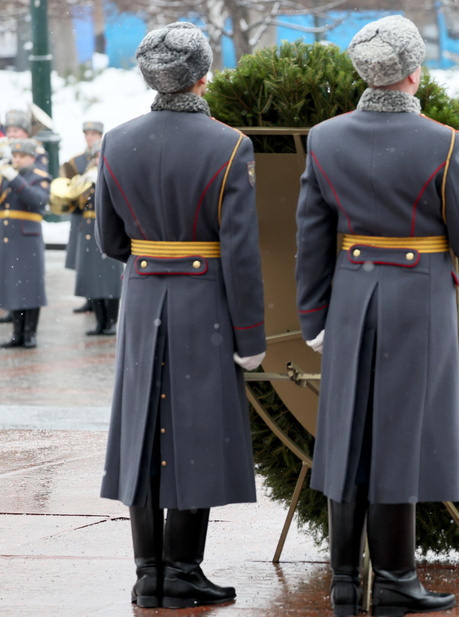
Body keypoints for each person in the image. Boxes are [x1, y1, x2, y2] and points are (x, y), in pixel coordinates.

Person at [295, 15, 459, 616]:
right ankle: (397, 578)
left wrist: (315, 319)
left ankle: (344, 583)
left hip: (352, 295)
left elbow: (311, 239)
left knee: (346, 435)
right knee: (399, 436)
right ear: (414, 71)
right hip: (418, 297)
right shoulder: (444, 141)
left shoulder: (325, 138)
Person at [95, 22, 266, 609]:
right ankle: (184, 568)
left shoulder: (116, 141)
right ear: (202, 76)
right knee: (198, 431)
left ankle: (149, 573)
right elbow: (241, 251)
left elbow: (111, 241)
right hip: (205, 300)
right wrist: (251, 335)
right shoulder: (229, 144)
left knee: (143, 429)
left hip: (144, 295)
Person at [0, 138, 50, 348]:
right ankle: (17, 333)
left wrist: (15, 180)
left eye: (22, 156)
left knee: (30, 285)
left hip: (27, 238)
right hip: (7, 236)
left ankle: (30, 334)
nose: (17, 160)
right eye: (15, 156)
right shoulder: (6, 176)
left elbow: (38, 201)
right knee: (13, 285)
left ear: (32, 158)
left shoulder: (39, 176)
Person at [72, 144, 123, 335]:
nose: (97, 159)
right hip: (88, 230)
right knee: (92, 279)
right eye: (95, 157)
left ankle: (111, 321)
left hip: (106, 227)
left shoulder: (114, 175)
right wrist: (80, 186)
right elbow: (75, 206)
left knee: (109, 281)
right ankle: (100, 321)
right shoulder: (87, 176)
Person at [62, 120, 104, 314]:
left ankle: (99, 302)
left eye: (94, 135)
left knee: (99, 262)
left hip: (98, 214)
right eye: (87, 135)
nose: (90, 138)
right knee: (84, 261)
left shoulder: (105, 155)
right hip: (81, 214)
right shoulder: (76, 161)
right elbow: (67, 186)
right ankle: (89, 299)